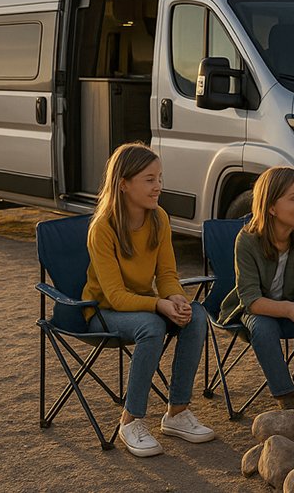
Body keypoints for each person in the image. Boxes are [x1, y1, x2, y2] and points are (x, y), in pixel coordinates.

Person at [82, 142, 214, 457]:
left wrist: (176, 299)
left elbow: (166, 273)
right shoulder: (103, 229)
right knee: (152, 326)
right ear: (123, 184)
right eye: (149, 179)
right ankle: (130, 421)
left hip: (143, 306)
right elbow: (115, 296)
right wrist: (159, 304)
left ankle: (177, 413)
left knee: (195, 315)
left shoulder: (159, 218)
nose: (158, 187)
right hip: (102, 313)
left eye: (159, 178)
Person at [219, 166, 294, 410]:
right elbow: (251, 301)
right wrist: (290, 310)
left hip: (292, 310)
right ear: (271, 207)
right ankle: (286, 396)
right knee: (263, 327)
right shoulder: (247, 241)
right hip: (258, 312)